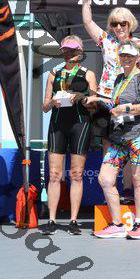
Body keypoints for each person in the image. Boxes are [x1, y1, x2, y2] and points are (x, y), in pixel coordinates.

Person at [76, 0, 140, 206]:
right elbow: (88, 22)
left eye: (123, 23)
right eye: (114, 24)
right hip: (105, 100)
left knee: (130, 144)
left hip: (129, 102)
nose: (119, 27)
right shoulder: (106, 41)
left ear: (131, 24)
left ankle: (128, 190)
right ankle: (110, 193)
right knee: (109, 146)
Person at [94, 41, 140, 239]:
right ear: (119, 57)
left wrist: (125, 108)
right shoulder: (119, 79)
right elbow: (115, 105)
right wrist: (99, 101)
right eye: (123, 55)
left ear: (137, 58)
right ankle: (117, 224)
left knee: (138, 179)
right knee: (105, 178)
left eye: (130, 55)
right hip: (120, 135)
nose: (126, 58)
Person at [42, 36, 97, 235]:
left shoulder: (88, 74)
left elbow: (94, 104)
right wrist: (52, 102)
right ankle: (51, 219)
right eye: (66, 50)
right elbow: (44, 106)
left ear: (80, 51)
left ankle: (73, 220)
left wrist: (83, 97)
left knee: (76, 174)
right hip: (57, 125)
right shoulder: (53, 74)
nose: (70, 53)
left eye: (73, 50)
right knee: (54, 174)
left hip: (80, 125)